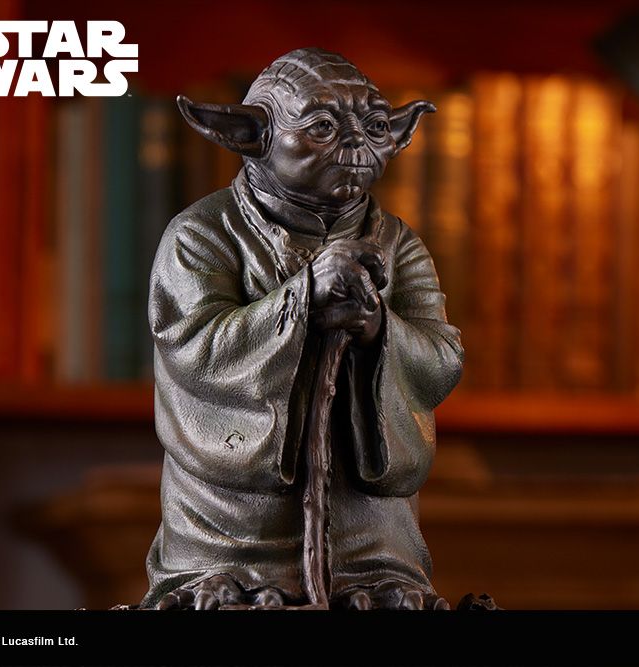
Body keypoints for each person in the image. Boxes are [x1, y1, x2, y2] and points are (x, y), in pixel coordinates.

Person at [140, 48, 463, 610]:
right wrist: (303, 296)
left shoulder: (399, 244)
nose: (358, 146)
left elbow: (442, 359)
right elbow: (194, 348)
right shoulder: (201, 235)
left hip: (371, 539)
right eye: (322, 127)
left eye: (376, 127)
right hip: (230, 529)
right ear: (252, 136)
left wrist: (377, 329)